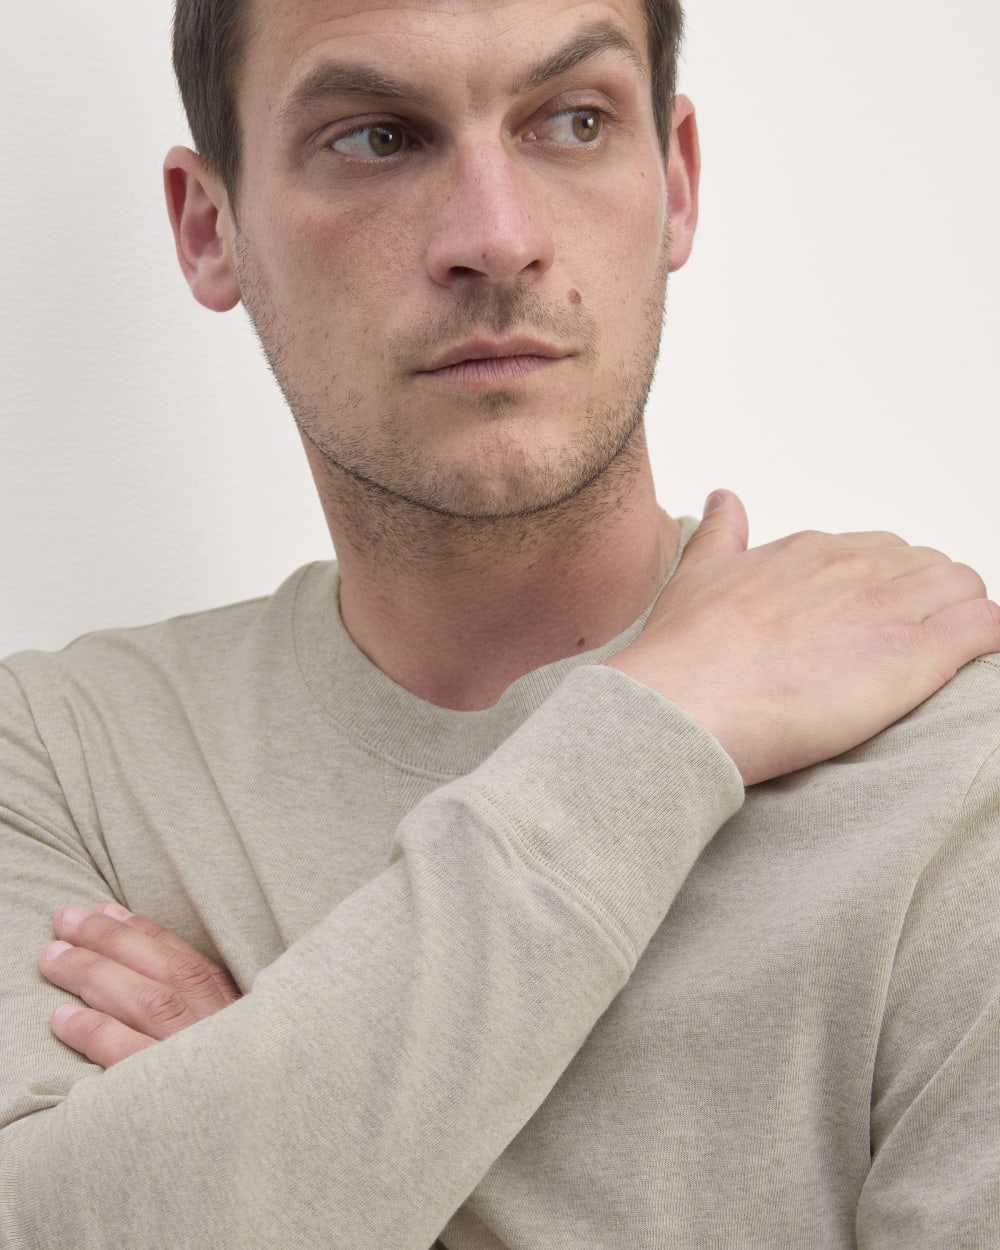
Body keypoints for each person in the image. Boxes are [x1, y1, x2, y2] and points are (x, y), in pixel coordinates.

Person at [2, 0, 998, 1245]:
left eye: (572, 122)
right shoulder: (62, 763)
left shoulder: (955, 778)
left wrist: (258, 1151)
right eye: (376, 136)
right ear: (213, 229)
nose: (497, 238)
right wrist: (656, 727)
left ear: (676, 181)